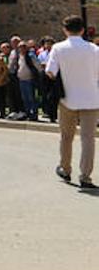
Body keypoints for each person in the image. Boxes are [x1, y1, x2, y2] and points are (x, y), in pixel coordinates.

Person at [45, 15, 99, 187]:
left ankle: (66, 168)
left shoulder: (58, 48)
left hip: (67, 98)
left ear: (64, 30)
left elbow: (50, 72)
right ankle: (85, 176)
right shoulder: (94, 49)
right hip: (91, 98)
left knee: (66, 137)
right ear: (82, 30)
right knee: (88, 139)